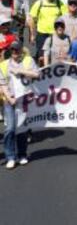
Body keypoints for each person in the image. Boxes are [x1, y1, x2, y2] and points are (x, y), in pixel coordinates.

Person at [0, 40, 39, 169]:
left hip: (24, 100)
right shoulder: (4, 65)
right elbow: (2, 83)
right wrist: (8, 97)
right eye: (12, 50)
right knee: (10, 128)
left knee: (21, 129)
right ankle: (10, 156)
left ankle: (22, 154)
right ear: (10, 51)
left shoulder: (28, 61)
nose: (15, 52)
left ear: (21, 50)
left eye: (17, 49)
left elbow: (37, 74)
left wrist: (22, 71)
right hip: (10, 100)